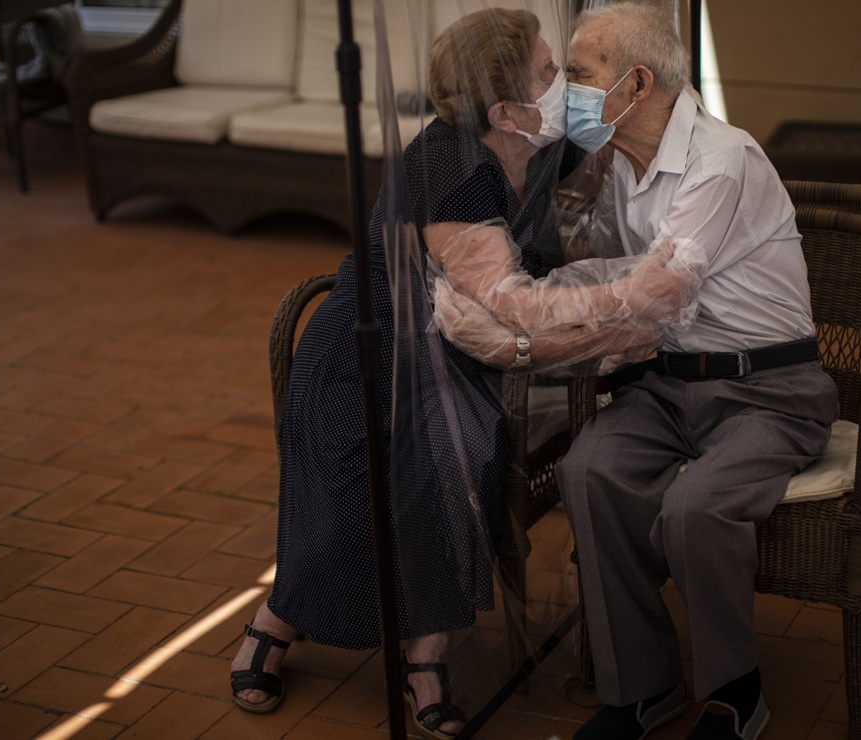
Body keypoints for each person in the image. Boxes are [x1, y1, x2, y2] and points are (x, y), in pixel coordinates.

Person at [227, 8, 688, 739]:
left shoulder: (532, 143)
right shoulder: (450, 171)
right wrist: (633, 298)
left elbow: (616, 121)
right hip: (365, 361)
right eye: (548, 73)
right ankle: (276, 621)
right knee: (366, 499)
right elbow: (514, 304)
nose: (562, 84)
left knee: (460, 468)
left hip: (455, 358)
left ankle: (425, 657)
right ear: (502, 110)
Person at [553, 4, 841, 740]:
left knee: (695, 509)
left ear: (636, 81)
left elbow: (656, 288)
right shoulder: (620, 162)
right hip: (672, 383)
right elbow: (612, 281)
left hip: (769, 392)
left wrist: (534, 313)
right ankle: (642, 689)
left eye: (580, 74)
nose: (568, 90)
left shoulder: (722, 158)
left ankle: (734, 692)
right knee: (588, 469)